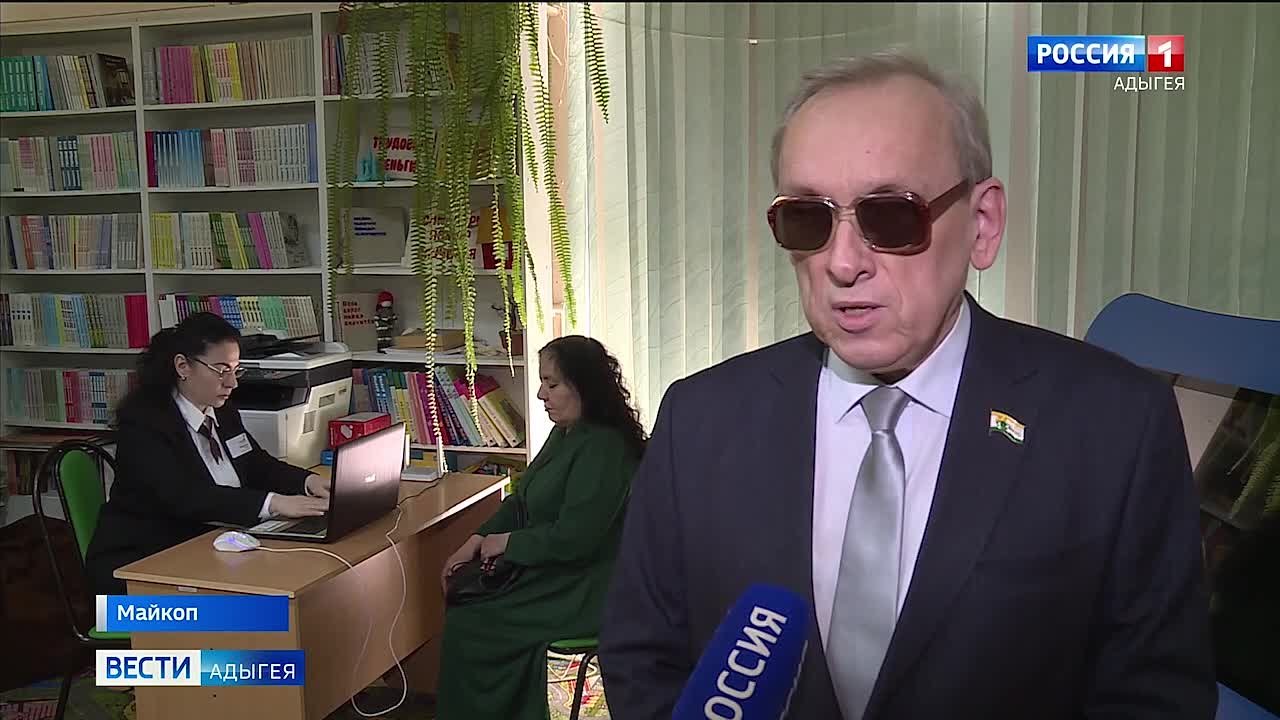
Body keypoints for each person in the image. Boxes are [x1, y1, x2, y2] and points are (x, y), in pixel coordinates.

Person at [598, 48, 1217, 719]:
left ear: (982, 225)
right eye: (808, 217)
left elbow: (1156, 698)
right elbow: (643, 659)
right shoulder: (700, 420)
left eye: (890, 215)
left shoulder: (1115, 424)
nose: (842, 263)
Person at [435, 335, 645, 720]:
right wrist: (476, 540)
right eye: (542, 382)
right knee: (466, 601)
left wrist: (508, 544)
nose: (540, 394)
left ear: (584, 386)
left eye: (552, 384)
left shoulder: (604, 448)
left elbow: (576, 539)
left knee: (472, 621)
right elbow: (521, 500)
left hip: (584, 585)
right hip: (553, 569)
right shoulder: (565, 433)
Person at [84, 313, 330, 595]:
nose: (232, 383)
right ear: (182, 366)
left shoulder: (221, 411)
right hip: (136, 577)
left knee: (300, 591)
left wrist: (308, 482)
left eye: (236, 370)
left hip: (205, 553)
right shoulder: (144, 425)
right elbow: (185, 496)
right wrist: (273, 503)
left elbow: (255, 464)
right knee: (269, 612)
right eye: (221, 370)